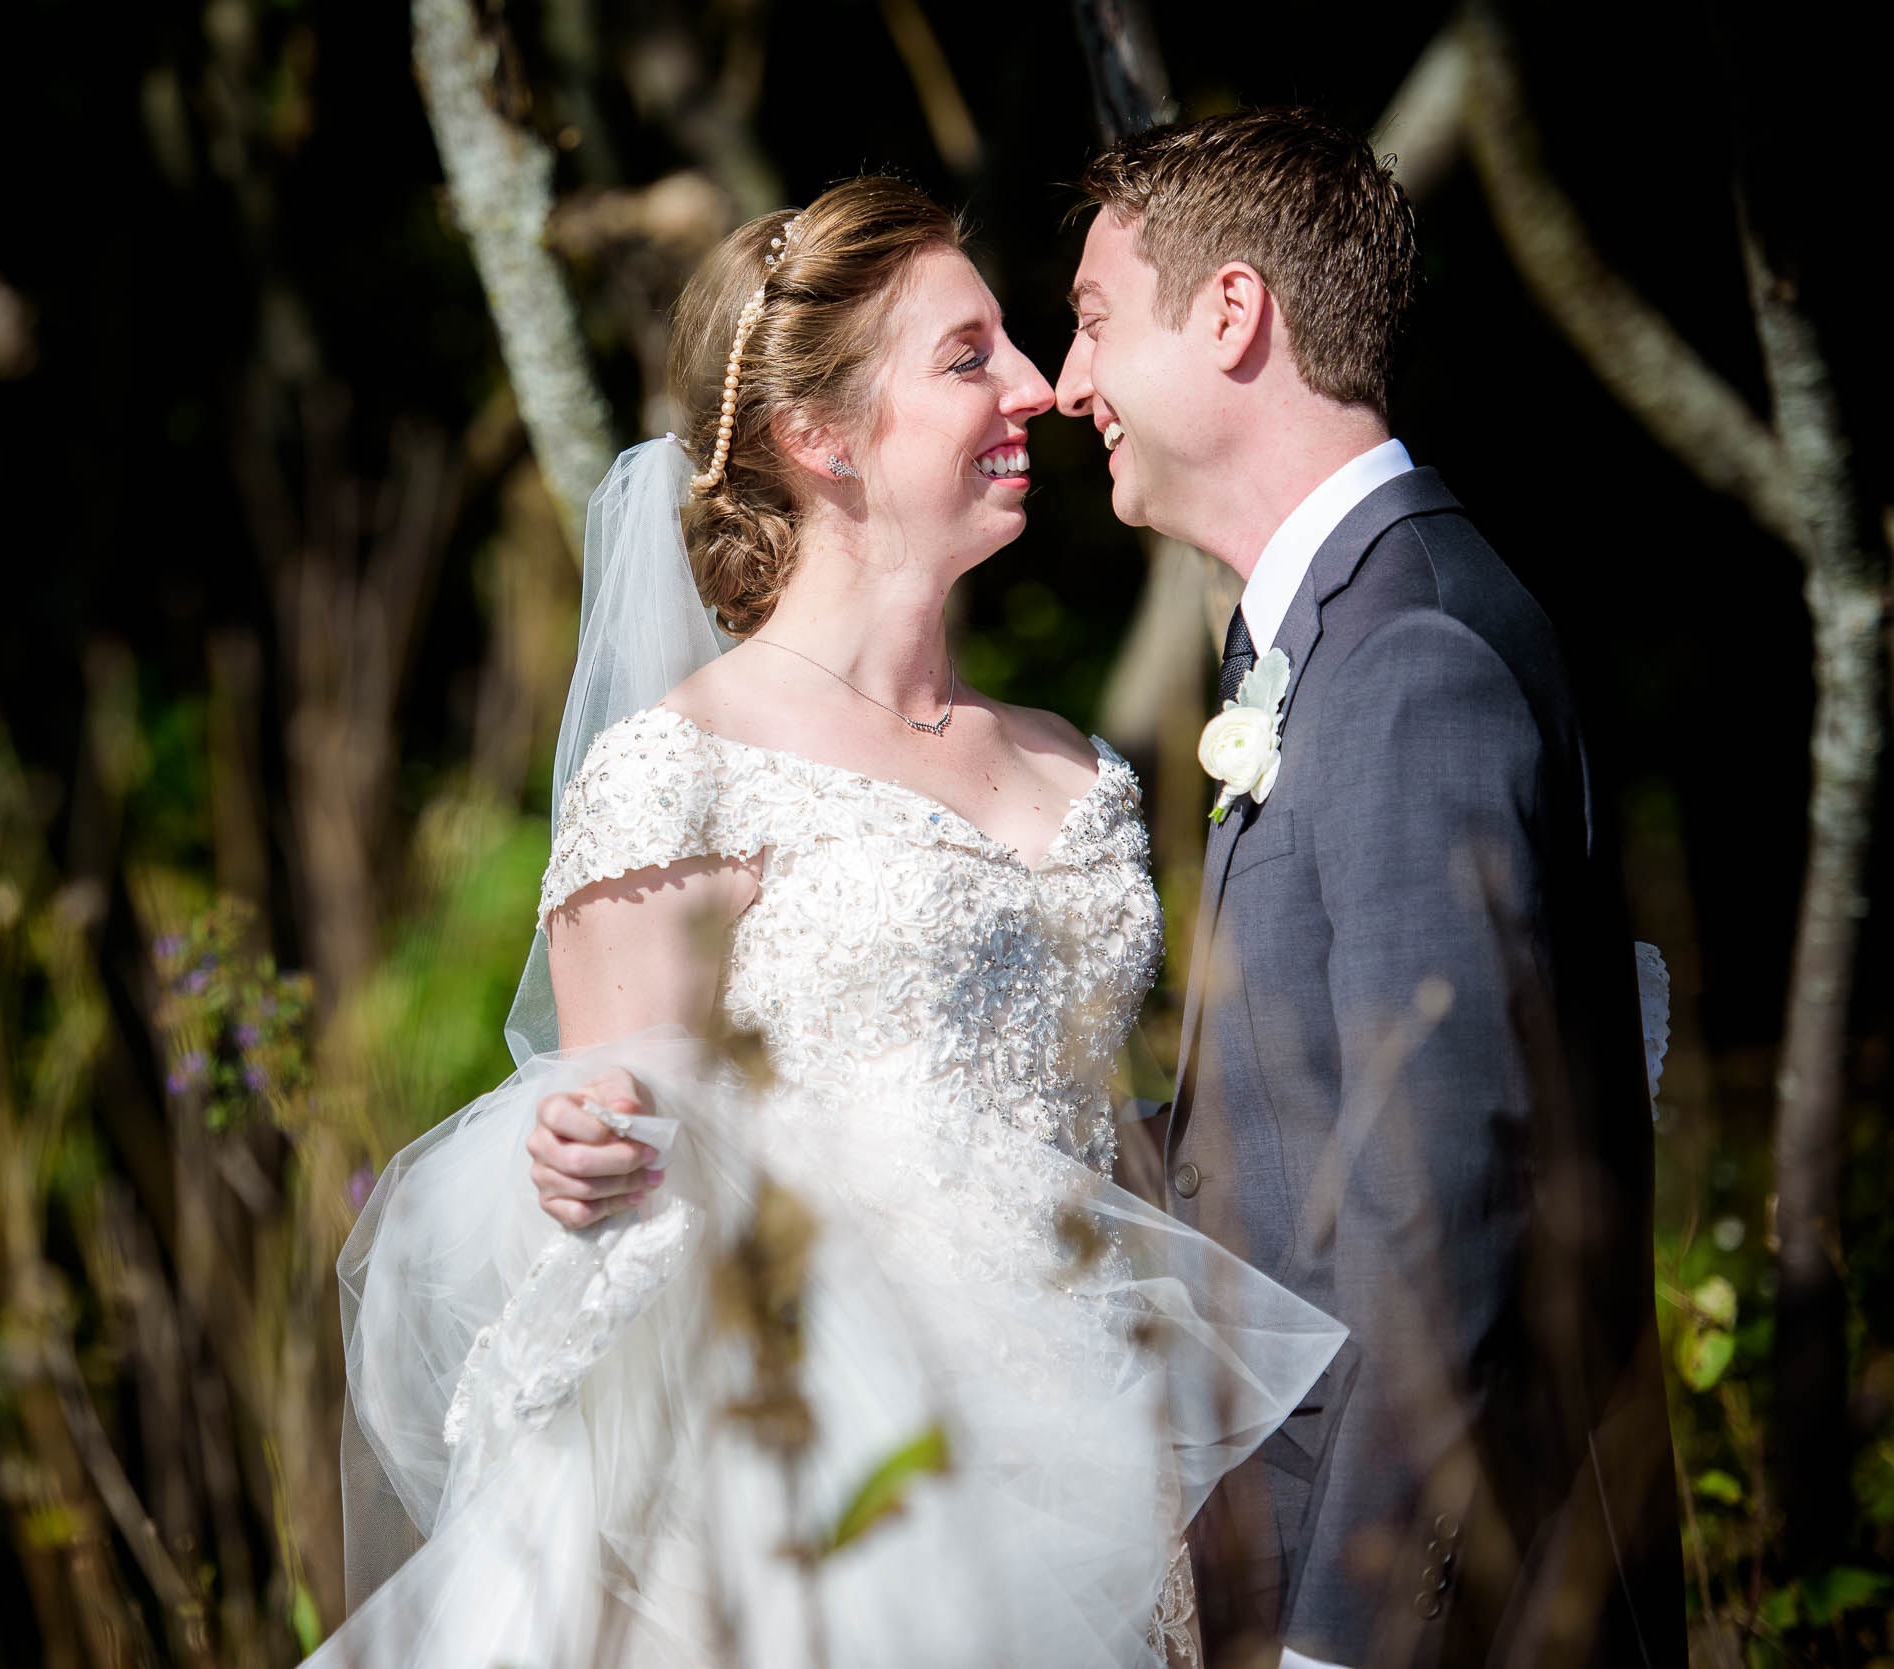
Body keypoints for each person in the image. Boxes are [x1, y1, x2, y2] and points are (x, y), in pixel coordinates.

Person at [318, 176, 1344, 1669]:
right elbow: (607, 1166)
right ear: (821, 436)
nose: (1042, 388)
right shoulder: (682, 769)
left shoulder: (1083, 768)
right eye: (969, 354)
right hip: (810, 1503)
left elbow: (1109, 1138)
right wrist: (577, 1152)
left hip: (1106, 1463)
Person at [1052, 110, 1683, 1668]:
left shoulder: (1407, 664)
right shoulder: (1333, 636)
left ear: (1231, 314)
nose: (1068, 384)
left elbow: (1443, 1206)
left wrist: (1341, 1642)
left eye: (1089, 319)